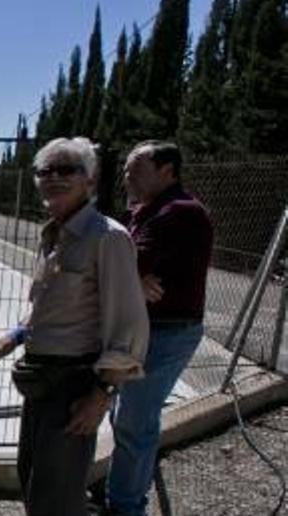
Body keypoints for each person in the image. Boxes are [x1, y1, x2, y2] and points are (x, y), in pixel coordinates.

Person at [0, 137, 150, 516]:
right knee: (35, 480)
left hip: (75, 386)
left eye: (67, 170)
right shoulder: (54, 234)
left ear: (89, 181)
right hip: (42, 380)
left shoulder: (108, 238)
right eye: (46, 171)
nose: (54, 177)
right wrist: (14, 336)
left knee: (55, 495)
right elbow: (47, 307)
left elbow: (128, 323)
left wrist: (102, 392)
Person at [104, 141, 213, 516]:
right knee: (125, 416)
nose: (126, 174)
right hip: (146, 327)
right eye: (125, 167)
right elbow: (118, 259)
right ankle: (124, 494)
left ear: (167, 171)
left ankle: (125, 506)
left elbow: (125, 259)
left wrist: (132, 270)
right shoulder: (145, 211)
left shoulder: (178, 211)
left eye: (136, 168)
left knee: (135, 421)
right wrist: (134, 274)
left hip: (167, 332)